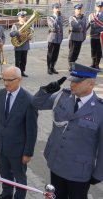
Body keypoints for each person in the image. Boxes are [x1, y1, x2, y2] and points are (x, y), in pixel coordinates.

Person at [32, 63, 103, 199]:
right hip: (57, 163)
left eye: (77, 82)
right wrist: (46, 91)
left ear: (90, 84)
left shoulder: (100, 110)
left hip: (79, 172)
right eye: (72, 80)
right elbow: (36, 103)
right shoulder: (63, 97)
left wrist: (98, 174)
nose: (72, 84)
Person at [0, 66, 38, 199]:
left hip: (18, 150)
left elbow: (32, 130)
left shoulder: (29, 100)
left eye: (10, 80)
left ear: (19, 79)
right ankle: (6, 194)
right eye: (4, 79)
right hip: (1, 145)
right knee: (5, 174)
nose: (6, 83)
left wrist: (28, 153)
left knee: (20, 178)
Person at [10, 11, 32, 77]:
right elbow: (11, 34)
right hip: (18, 46)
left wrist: (29, 37)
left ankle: (22, 72)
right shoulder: (15, 25)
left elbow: (30, 33)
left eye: (24, 17)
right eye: (21, 17)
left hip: (25, 45)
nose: (23, 18)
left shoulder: (28, 25)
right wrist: (17, 33)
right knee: (17, 61)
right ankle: (17, 73)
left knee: (24, 60)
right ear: (18, 18)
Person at [68, 3, 87, 69]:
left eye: (80, 9)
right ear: (75, 10)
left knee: (77, 52)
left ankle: (74, 63)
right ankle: (70, 65)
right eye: (78, 9)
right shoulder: (71, 18)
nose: (79, 11)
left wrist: (83, 37)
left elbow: (84, 28)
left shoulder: (84, 18)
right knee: (72, 52)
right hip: (73, 37)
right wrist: (80, 20)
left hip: (80, 37)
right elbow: (74, 26)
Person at [47, 3, 63, 75]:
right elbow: (53, 25)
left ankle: (53, 67)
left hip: (58, 37)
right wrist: (57, 17)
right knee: (50, 54)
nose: (57, 9)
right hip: (52, 37)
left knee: (56, 54)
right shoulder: (50, 17)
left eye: (58, 8)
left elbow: (61, 27)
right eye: (56, 8)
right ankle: (49, 68)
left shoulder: (60, 17)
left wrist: (61, 37)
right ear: (53, 9)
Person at [88, 2, 103, 69]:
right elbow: (88, 25)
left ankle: (97, 64)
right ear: (95, 7)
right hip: (93, 35)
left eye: (100, 7)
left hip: (100, 36)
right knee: (93, 50)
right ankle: (93, 63)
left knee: (99, 51)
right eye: (98, 7)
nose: (99, 8)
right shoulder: (91, 15)